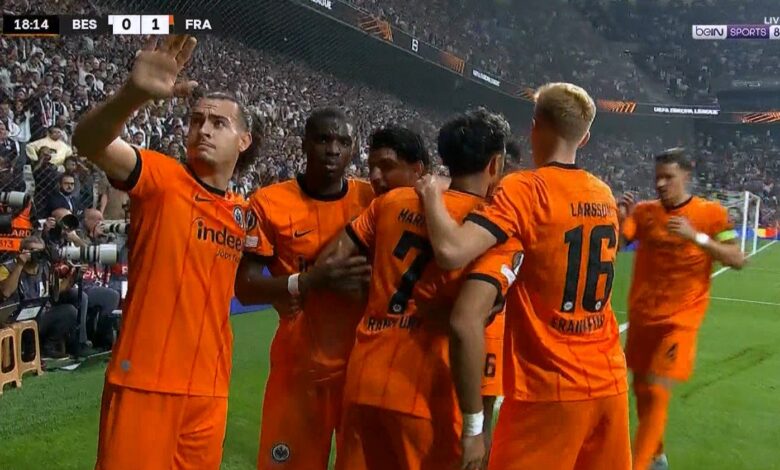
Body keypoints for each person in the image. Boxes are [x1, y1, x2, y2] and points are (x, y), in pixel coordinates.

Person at [416, 83, 630, 470]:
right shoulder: (602, 193)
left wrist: (432, 193)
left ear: (535, 127)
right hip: (609, 383)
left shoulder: (526, 189)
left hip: (549, 390)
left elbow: (451, 251)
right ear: (585, 138)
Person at [72, 35, 255, 470]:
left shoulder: (245, 214)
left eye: (218, 123)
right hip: (145, 381)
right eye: (196, 120)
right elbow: (89, 142)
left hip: (209, 389)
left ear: (244, 141)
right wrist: (131, 96)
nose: (203, 129)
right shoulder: (162, 177)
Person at [323, 108, 510, 470]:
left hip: (364, 378)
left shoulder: (390, 202)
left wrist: (375, 286)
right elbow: (470, 322)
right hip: (427, 391)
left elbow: (331, 261)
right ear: (495, 164)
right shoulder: (490, 228)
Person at [234, 107, 374, 470]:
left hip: (362, 368)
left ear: (353, 148)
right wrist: (308, 281)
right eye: (323, 139)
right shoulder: (268, 203)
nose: (333, 149)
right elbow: (245, 287)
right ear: (304, 144)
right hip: (298, 369)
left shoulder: (372, 199)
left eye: (343, 141)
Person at [619, 148, 745, 470]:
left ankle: (638, 464)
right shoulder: (644, 212)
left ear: (686, 175)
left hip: (680, 322)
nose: (660, 184)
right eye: (657, 177)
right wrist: (620, 218)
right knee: (642, 392)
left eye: (668, 177)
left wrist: (696, 237)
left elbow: (737, 258)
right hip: (643, 319)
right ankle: (656, 457)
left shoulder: (711, 214)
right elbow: (618, 243)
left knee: (657, 390)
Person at [366, 125, 429, 195]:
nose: (374, 177)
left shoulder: (437, 200)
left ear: (416, 170)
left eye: (386, 166)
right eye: (371, 168)